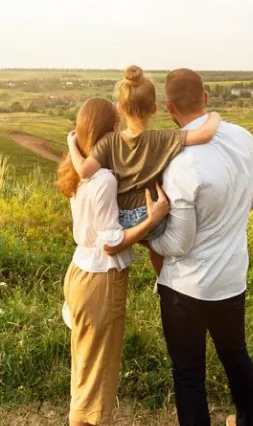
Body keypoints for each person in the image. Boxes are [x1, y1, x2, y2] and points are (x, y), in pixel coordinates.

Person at [148, 68, 253, 426]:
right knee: (236, 355)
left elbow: (178, 244)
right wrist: (226, 217)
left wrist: (148, 231)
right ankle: (248, 421)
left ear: (168, 107)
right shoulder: (245, 139)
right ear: (207, 96)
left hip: (187, 286)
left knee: (188, 374)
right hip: (232, 277)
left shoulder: (178, 163)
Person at [56, 97, 171, 426]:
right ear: (111, 131)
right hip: (100, 280)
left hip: (79, 272)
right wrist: (152, 219)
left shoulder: (76, 173)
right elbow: (110, 243)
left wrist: (70, 143)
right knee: (100, 373)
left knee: (84, 366)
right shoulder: (104, 178)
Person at [66, 66, 221, 276]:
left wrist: (71, 144)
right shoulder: (162, 138)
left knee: (145, 238)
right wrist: (215, 115)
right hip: (149, 216)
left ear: (120, 108)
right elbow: (204, 135)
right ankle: (163, 280)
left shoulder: (109, 141)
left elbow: (84, 171)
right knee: (158, 242)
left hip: (119, 220)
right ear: (155, 108)